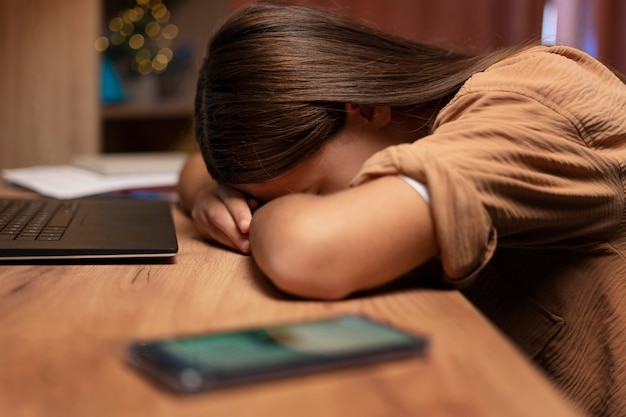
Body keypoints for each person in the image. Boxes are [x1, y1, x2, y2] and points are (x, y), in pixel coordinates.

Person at [178, 2, 626, 416]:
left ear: (365, 109)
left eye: (314, 195)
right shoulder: (414, 131)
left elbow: (310, 250)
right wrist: (213, 195)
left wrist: (266, 218)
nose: (302, 211)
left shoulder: (536, 97)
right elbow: (193, 168)